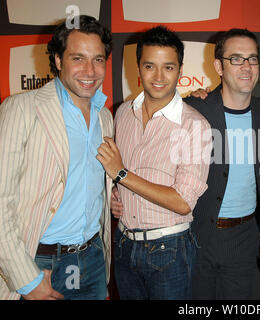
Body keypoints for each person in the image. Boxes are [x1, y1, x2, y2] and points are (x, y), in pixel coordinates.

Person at [0, 15, 113, 300]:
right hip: (38, 264)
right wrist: (26, 280)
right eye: (78, 58)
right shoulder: (21, 109)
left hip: (92, 260)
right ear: (58, 61)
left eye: (98, 59)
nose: (90, 70)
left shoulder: (105, 117)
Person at [96, 26, 212, 300]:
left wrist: (122, 175)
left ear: (180, 70)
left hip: (169, 250)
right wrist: (118, 193)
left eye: (168, 67)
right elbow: (122, 177)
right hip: (124, 244)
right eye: (150, 66)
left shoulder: (195, 125)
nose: (159, 77)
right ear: (138, 67)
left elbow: (183, 202)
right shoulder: (123, 113)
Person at [181, 28, 260, 299]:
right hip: (198, 235)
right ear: (218, 66)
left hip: (244, 238)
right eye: (236, 59)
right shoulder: (193, 109)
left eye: (252, 59)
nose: (246, 67)